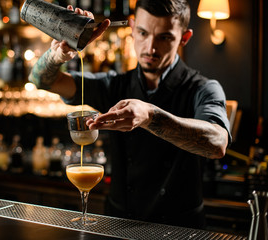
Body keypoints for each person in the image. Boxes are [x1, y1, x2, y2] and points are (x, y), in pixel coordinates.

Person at [28, 0, 231, 229]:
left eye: (164, 37)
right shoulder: (115, 85)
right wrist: (57, 56)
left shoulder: (203, 88)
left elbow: (218, 143)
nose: (150, 48)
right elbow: (40, 80)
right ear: (132, 29)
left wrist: (150, 116)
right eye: (143, 33)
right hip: (119, 224)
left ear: (184, 37)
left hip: (180, 229)